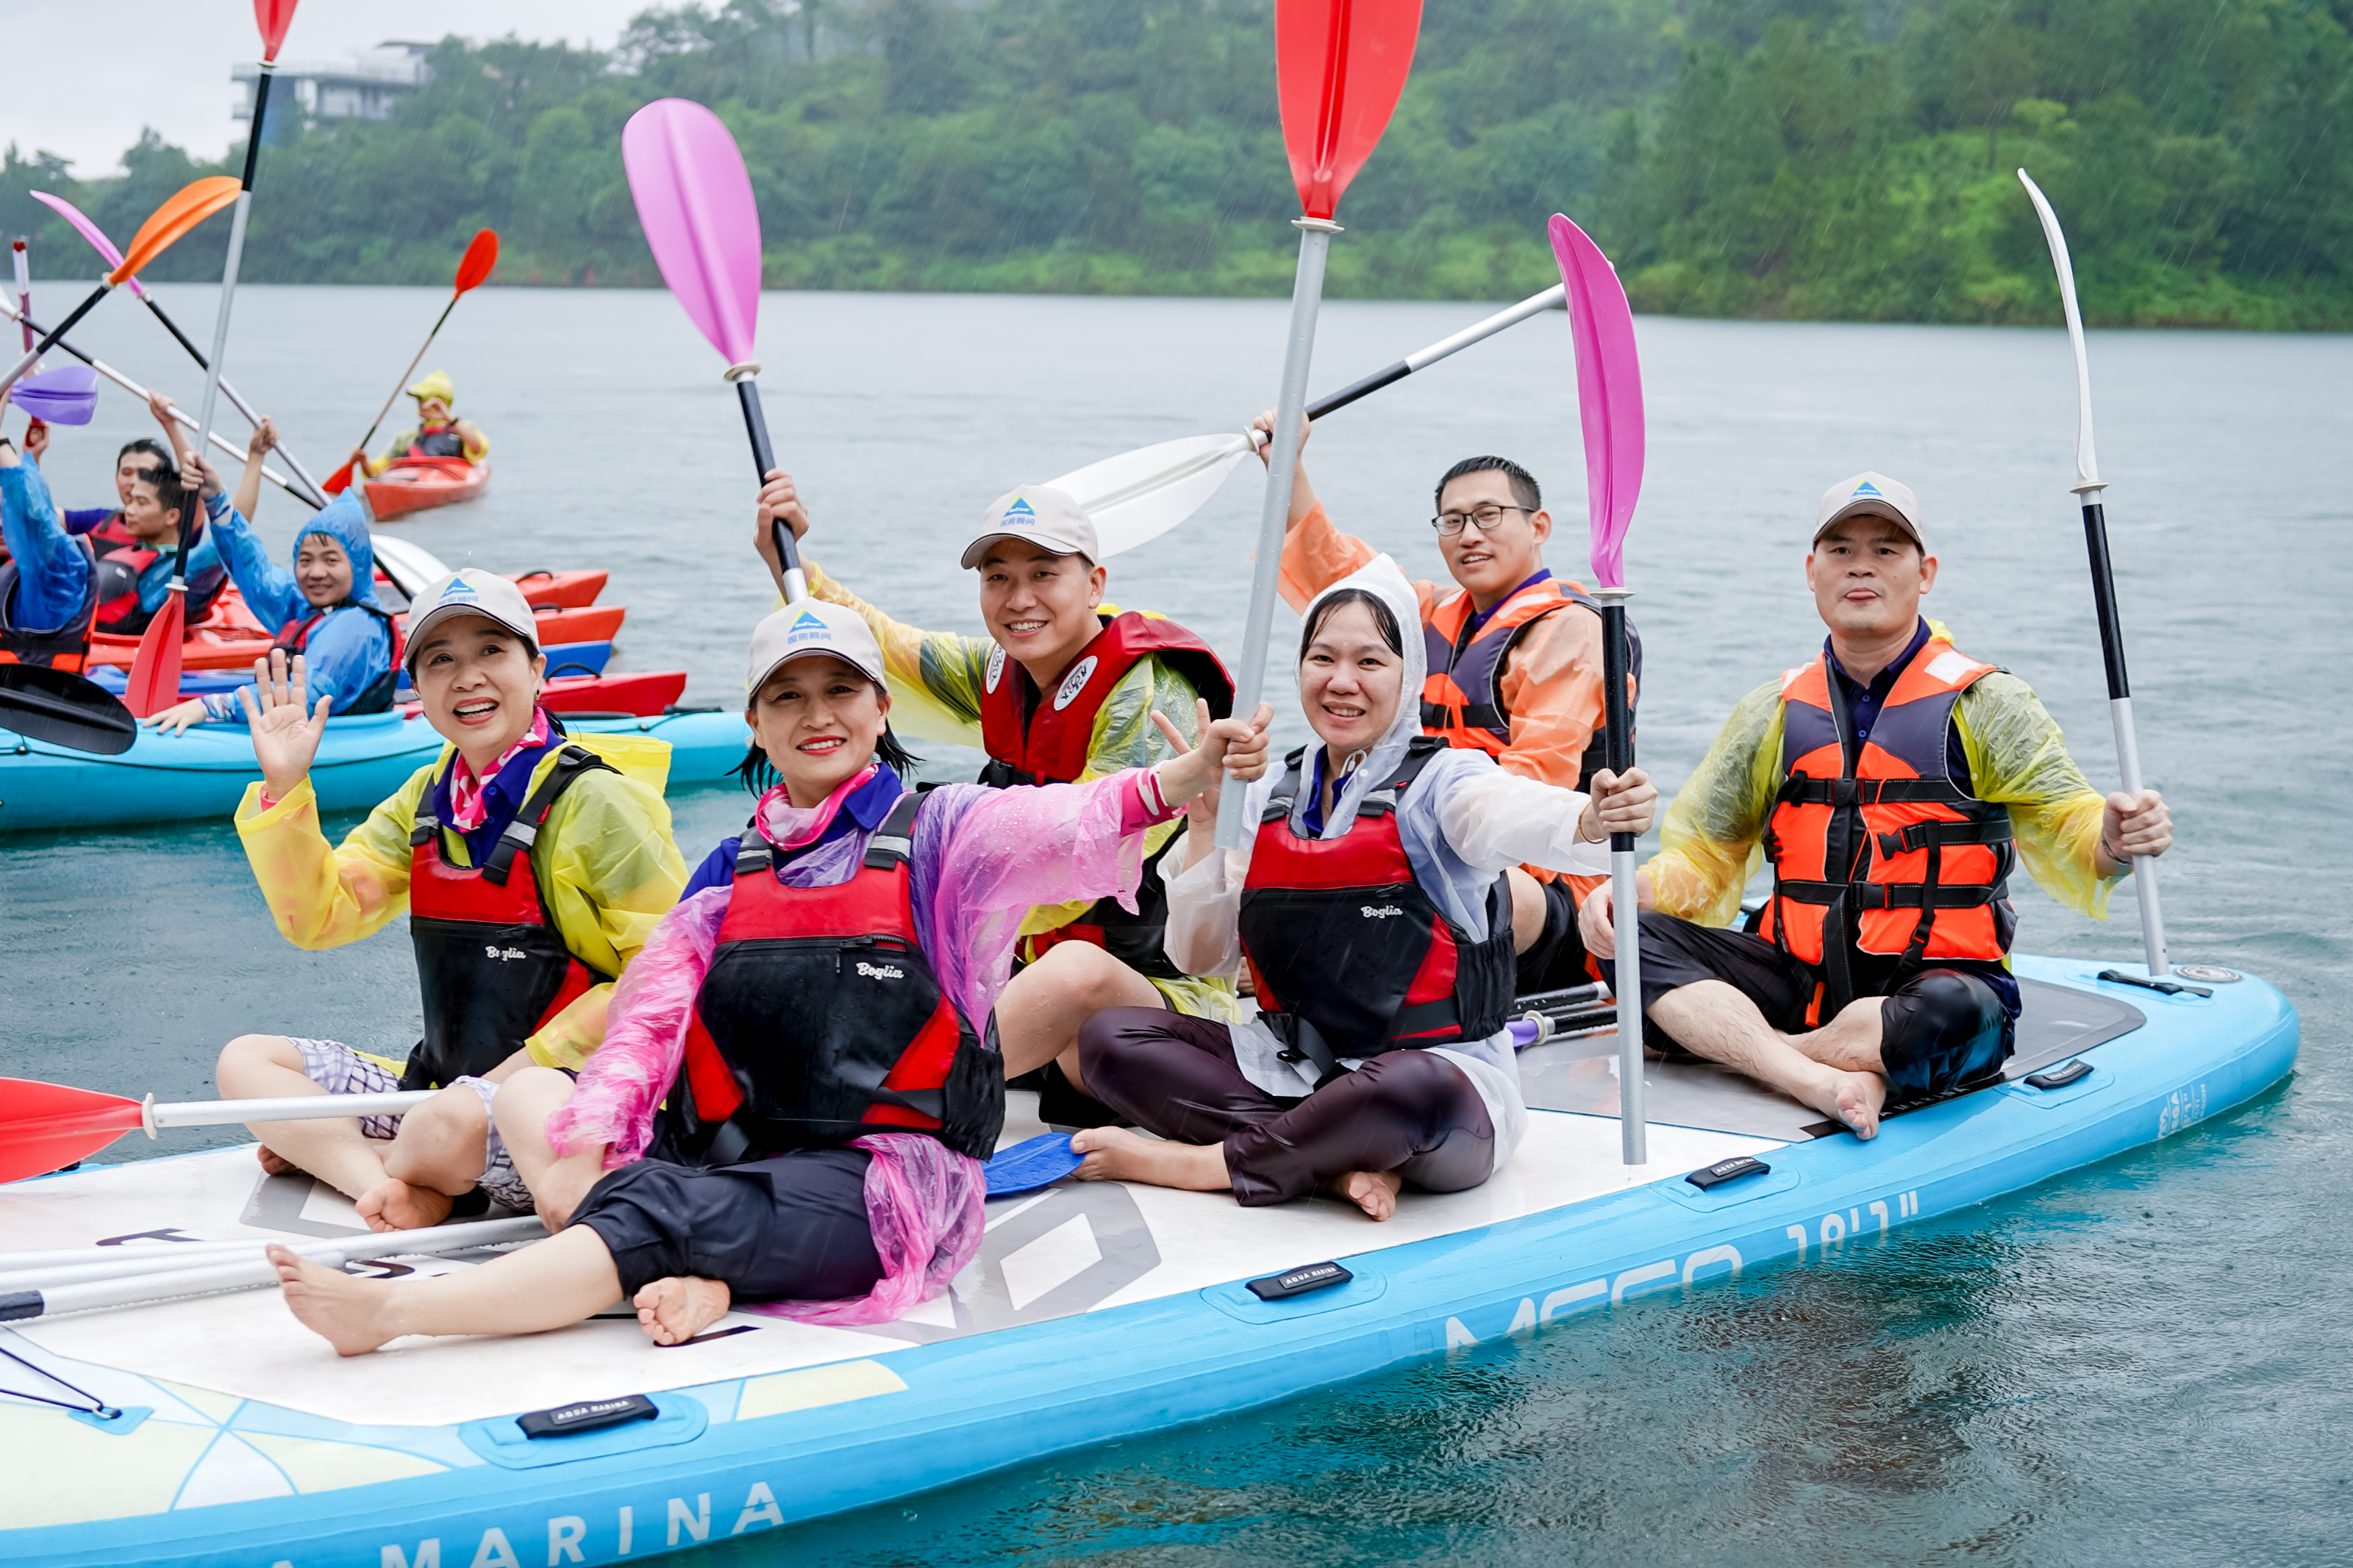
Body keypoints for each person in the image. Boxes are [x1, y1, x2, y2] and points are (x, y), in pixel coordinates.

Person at [263, 598, 1273, 1353]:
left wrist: (1182, 779)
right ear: (756, 725)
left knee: (652, 1210)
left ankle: (396, 1313)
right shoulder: (729, 871)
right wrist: (598, 1128)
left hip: (889, 1189)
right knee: (541, 1101)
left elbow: (1072, 817)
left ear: (882, 708)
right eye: (786, 695)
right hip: (748, 1160)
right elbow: (646, 1028)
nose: (815, 713)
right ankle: (695, 1268)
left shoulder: (947, 834)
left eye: (840, 690)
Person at [1579, 472, 2176, 1140]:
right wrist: (1632, 893)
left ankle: (1746, 1047)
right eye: (1840, 549)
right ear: (1812, 572)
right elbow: (1707, 856)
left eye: (1887, 550)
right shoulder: (1771, 710)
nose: (1861, 564)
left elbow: (2072, 826)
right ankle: (1822, 1071)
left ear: (1926, 573)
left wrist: (2119, 840)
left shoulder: (1989, 704)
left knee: (1951, 1011)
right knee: (1625, 936)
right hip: (1796, 980)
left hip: (1930, 987)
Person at [1068, 556, 1656, 1220]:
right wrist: (1205, 828)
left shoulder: (1445, 783)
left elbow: (1521, 813)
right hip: (1292, 1075)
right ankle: (1333, 1163)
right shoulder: (1263, 793)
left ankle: (1210, 1163)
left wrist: (1591, 814)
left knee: (1409, 1086)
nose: (1341, 681)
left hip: (1435, 1097)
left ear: (1407, 679)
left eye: (1370, 662)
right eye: (1322, 657)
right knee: (1110, 1039)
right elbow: (1199, 959)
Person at [751, 471, 1239, 1123]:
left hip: (1156, 1002)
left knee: (1069, 967)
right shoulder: (996, 672)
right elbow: (886, 649)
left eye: (1044, 574)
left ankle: (886, 1106)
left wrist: (927, 919)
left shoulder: (1146, 694)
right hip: (1027, 987)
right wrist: (790, 560)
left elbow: (1079, 864)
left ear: (1095, 584)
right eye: (997, 578)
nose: (1019, 598)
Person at [216, 568, 685, 1230]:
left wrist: (514, 1080)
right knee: (247, 1061)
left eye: (492, 651)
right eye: (441, 659)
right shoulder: (426, 799)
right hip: (441, 1091)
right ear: (419, 689)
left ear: (538, 668)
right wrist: (285, 787)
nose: (467, 676)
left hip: (563, 1107)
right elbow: (321, 916)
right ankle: (382, 1182)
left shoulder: (599, 802)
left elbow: (665, 975)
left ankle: (381, 1159)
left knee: (448, 1122)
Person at [1254, 414, 1637, 1000]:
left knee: (1443, 867)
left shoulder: (1569, 630)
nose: (1469, 534)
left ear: (1540, 526)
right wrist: (1290, 464)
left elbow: (1531, 790)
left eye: (1489, 515)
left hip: (1546, 880)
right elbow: (1337, 575)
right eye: (1452, 521)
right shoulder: (1431, 613)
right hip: (1418, 844)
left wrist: (1420, 845)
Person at [141, 421, 399, 734]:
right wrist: (215, 499)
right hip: (290, 732)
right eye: (305, 561)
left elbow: (310, 693)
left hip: (330, 746)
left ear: (357, 567)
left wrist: (212, 706)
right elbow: (256, 572)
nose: (315, 572)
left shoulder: (357, 627)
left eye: (331, 560)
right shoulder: (307, 608)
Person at [0, 395, 225, 665]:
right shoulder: (101, 520)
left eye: (144, 473)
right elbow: (36, 520)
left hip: (104, 639)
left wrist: (170, 424)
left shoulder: (178, 533)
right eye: (126, 472)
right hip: (70, 619)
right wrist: (32, 458)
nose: (134, 481)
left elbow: (199, 488)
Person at [350, 370, 488, 478]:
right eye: (419, 399)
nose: (420, 404)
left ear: (442, 402)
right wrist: (363, 461)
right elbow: (375, 473)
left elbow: (477, 449)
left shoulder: (463, 429)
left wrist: (449, 417)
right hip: (409, 481)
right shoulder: (407, 437)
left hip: (447, 478)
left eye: (423, 399)